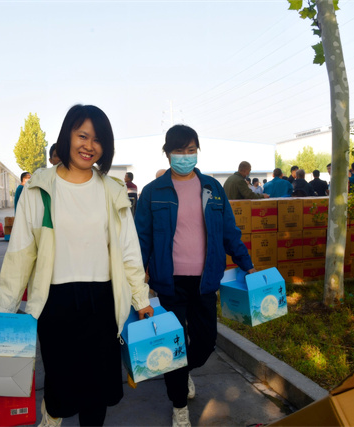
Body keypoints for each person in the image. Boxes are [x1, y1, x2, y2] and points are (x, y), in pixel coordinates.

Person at [0, 104, 153, 426]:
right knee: (60, 385)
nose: (89, 145)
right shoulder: (39, 189)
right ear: (67, 136)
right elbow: (21, 253)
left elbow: (128, 250)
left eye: (98, 139)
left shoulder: (112, 191)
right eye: (82, 136)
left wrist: (141, 298)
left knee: (98, 389)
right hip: (55, 301)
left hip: (102, 300)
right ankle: (51, 418)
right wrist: (4, 308)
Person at [134, 124, 256, 427]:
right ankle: (179, 406)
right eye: (179, 150)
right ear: (167, 153)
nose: (185, 156)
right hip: (169, 282)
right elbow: (141, 240)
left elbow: (229, 231)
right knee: (173, 345)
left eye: (191, 150)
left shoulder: (212, 188)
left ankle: (183, 371)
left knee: (205, 342)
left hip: (205, 280)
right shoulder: (153, 192)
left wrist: (246, 263)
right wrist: (135, 282)